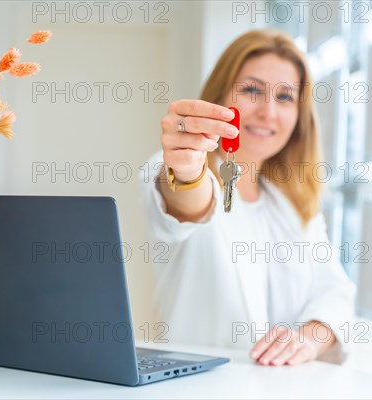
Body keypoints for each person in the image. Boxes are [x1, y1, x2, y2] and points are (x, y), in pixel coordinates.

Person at [140, 30, 356, 366]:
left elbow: (335, 293)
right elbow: (188, 204)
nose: (268, 112)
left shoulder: (294, 200)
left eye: (285, 96)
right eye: (252, 90)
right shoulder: (176, 165)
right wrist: (187, 170)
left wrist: (307, 340)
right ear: (220, 96)